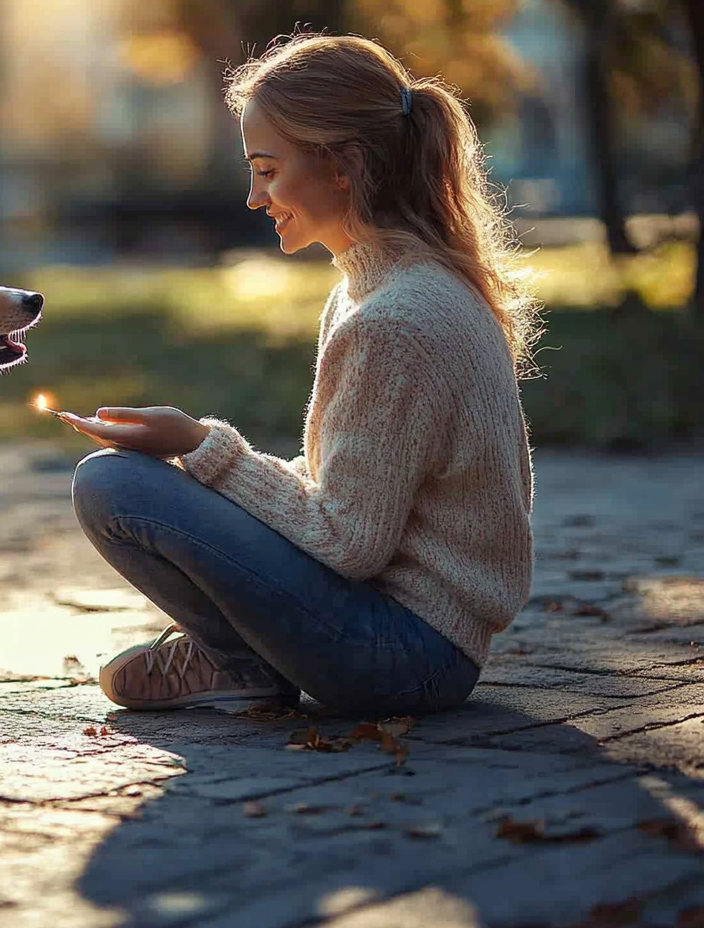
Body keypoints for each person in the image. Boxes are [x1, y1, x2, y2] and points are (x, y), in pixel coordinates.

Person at [66, 33, 540, 717]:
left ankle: (236, 658)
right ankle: (244, 656)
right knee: (136, 478)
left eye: (267, 170)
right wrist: (198, 460)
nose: (254, 197)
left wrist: (200, 446)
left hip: (406, 655)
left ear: (343, 165)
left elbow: (348, 542)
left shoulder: (397, 319)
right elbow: (345, 495)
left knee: (112, 485)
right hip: (407, 636)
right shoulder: (380, 289)